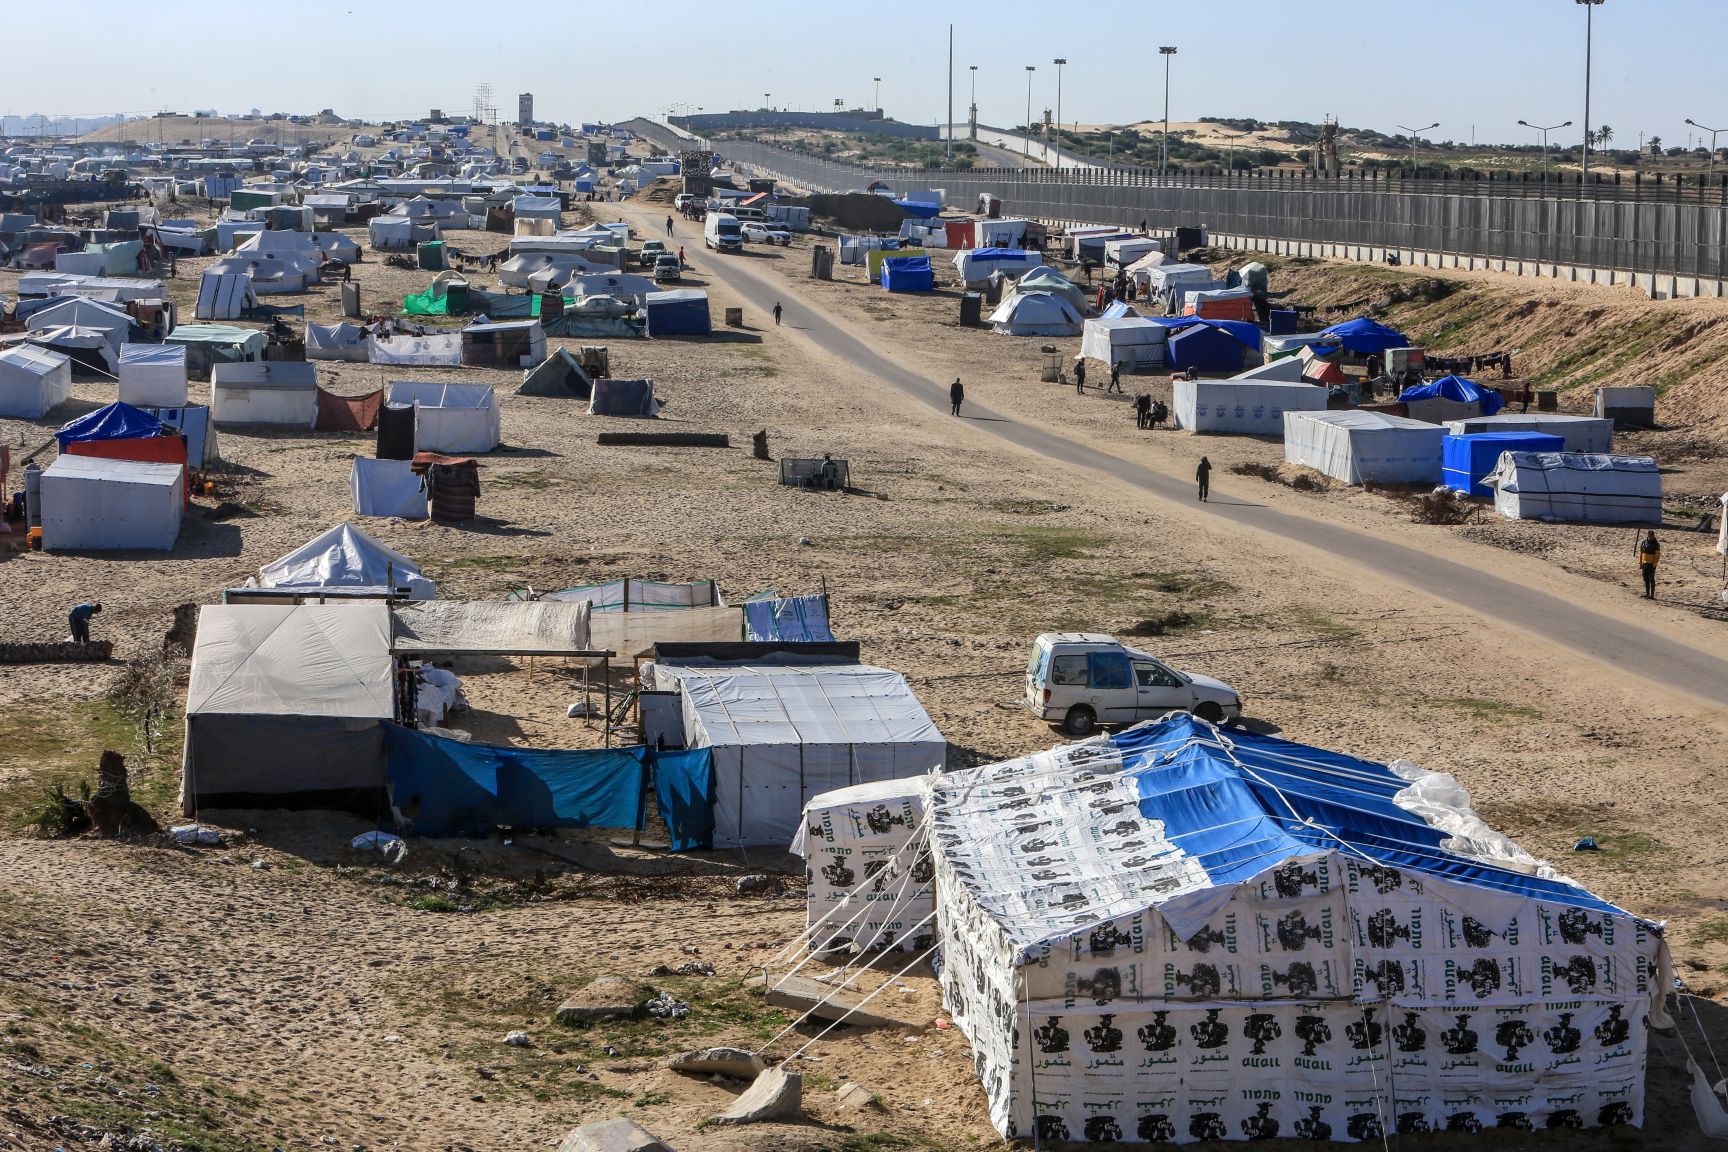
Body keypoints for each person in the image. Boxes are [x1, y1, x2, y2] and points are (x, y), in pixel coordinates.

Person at [1638, 531, 1661, 598]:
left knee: (1651, 579)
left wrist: (1654, 564)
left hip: (1651, 564)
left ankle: (1652, 595)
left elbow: (1657, 555)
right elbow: (1641, 553)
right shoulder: (1644, 542)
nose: (1650, 537)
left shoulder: (1656, 544)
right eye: (1650, 535)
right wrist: (1640, 562)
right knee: (1645, 578)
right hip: (1644, 563)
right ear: (1648, 535)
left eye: (1652, 536)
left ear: (1653, 536)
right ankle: (1647, 593)